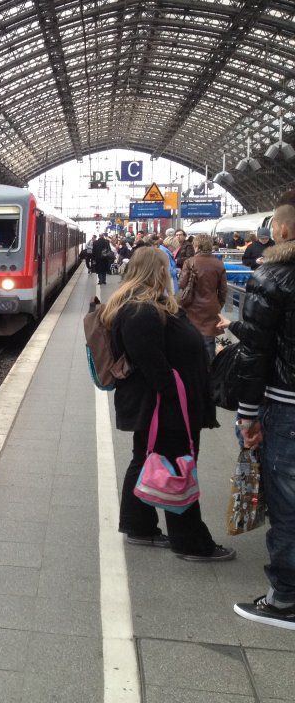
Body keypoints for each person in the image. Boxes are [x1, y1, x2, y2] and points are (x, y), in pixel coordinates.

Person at [101, 247, 233, 561]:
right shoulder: (140, 310)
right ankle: (190, 542)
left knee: (145, 458)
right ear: (156, 272)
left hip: (156, 403)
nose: (171, 272)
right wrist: (176, 397)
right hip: (163, 405)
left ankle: (139, 525)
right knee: (177, 465)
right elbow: (152, 363)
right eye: (166, 267)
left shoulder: (147, 306)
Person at [219, 190, 295, 629]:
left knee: (287, 506)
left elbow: (256, 354)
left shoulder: (273, 278)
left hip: (285, 409)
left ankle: (285, 600)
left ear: (280, 230)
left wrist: (247, 414)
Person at [177, 234, 228, 363]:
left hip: (191, 306)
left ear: (197, 246)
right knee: (208, 343)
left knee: (190, 341)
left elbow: (182, 284)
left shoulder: (190, 262)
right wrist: (218, 305)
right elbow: (223, 291)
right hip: (211, 307)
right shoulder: (218, 264)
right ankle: (210, 373)